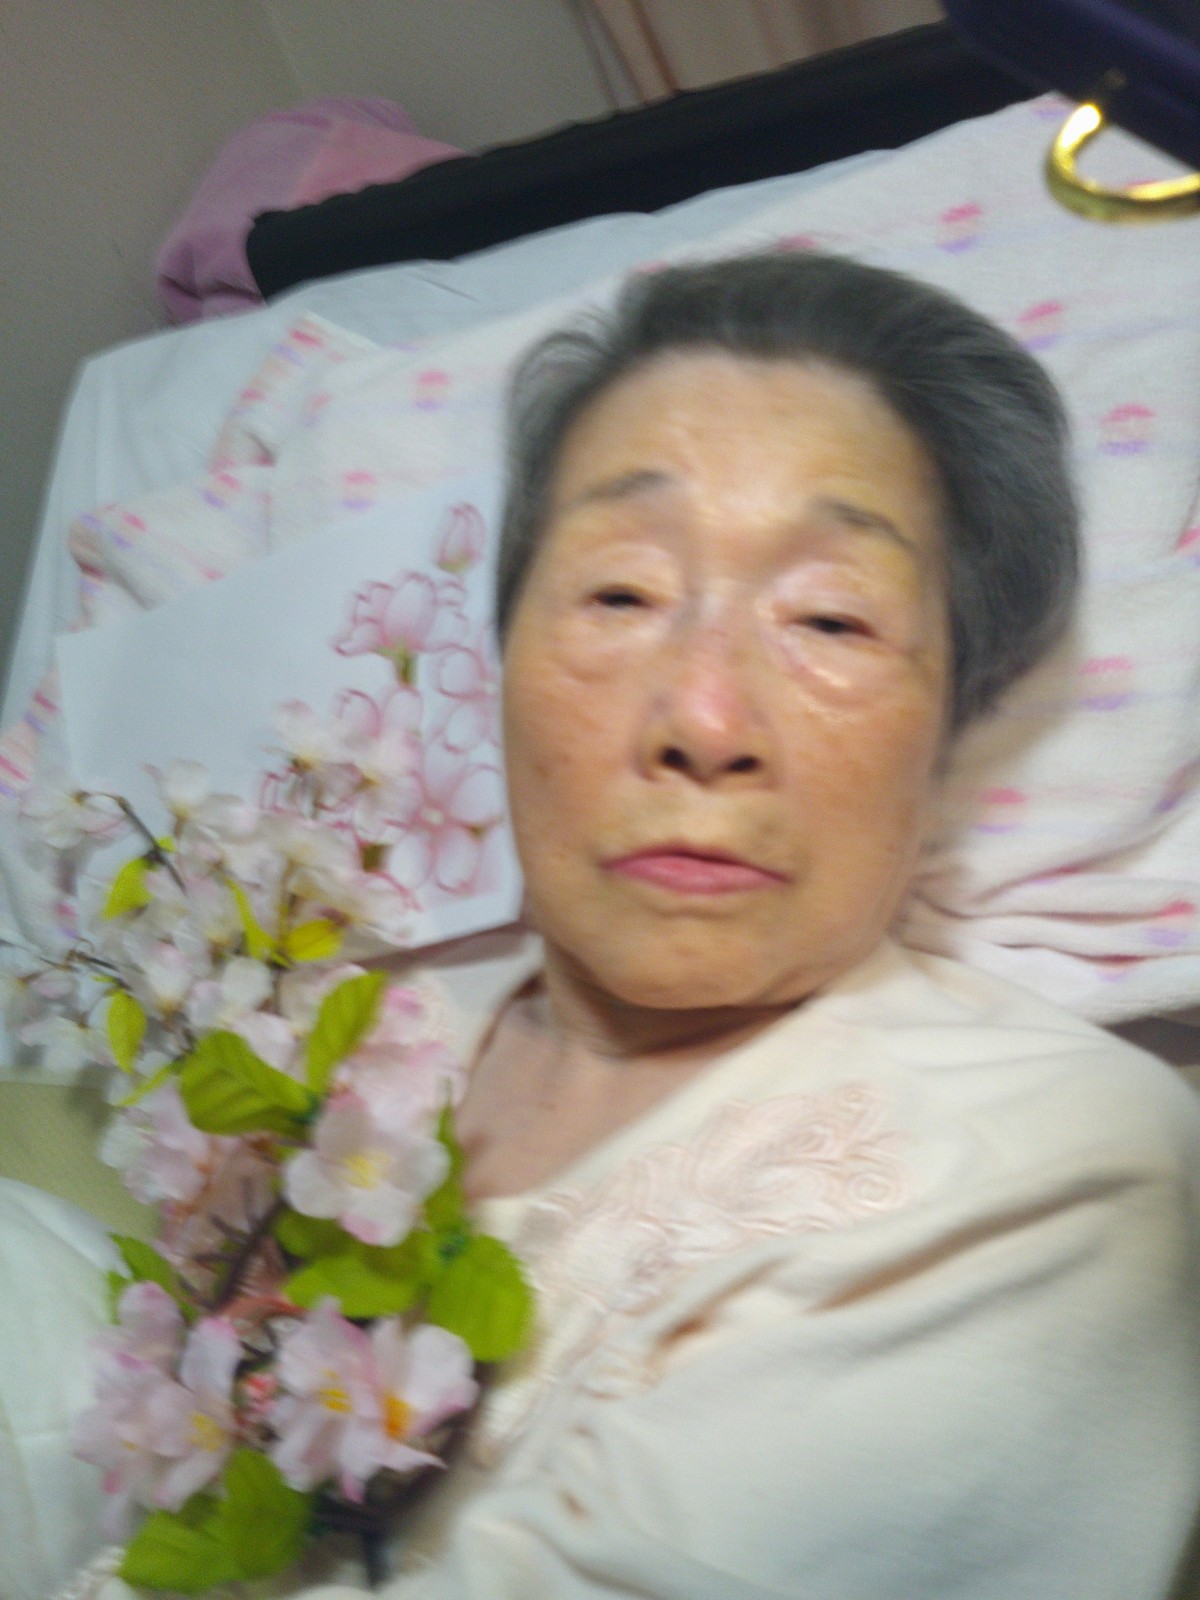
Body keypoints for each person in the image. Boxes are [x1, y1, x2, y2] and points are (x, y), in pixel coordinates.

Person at [17, 251, 1200, 1600]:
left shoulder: (1051, 1171)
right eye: (620, 594)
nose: (704, 719)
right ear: (497, 665)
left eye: (831, 618)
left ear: (951, 725)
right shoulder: (370, 1049)